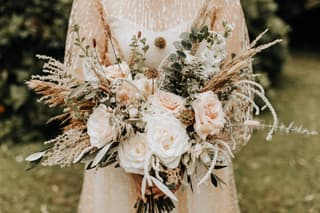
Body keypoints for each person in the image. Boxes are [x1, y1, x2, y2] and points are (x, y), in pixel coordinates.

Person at [64, 0, 250, 212]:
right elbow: (83, 86)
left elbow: (231, 84)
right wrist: (132, 160)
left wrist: (180, 162)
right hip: (118, 163)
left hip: (195, 163)